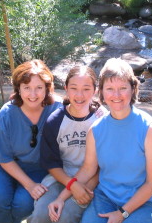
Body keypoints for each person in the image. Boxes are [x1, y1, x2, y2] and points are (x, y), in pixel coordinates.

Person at [51, 58, 152, 223]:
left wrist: (122, 213)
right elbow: (87, 170)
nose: (116, 95)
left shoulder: (149, 129)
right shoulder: (96, 130)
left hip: (141, 201)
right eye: (110, 88)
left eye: (123, 88)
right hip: (105, 198)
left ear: (133, 89)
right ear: (101, 92)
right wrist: (61, 198)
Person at [27, 65, 108, 223]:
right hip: (60, 179)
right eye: (73, 88)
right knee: (40, 215)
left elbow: (103, 165)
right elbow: (51, 163)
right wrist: (71, 184)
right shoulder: (55, 121)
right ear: (65, 89)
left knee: (66, 217)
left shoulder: (102, 121)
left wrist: (84, 188)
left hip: (92, 182)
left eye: (86, 89)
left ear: (95, 90)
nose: (79, 95)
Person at [0, 59, 63, 223]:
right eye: (27, 88)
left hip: (37, 168)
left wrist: (96, 108)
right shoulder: (7, 113)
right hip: (4, 164)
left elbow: (79, 105)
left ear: (47, 89)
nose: (33, 95)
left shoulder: (56, 109)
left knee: (23, 205)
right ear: (18, 89)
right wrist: (29, 185)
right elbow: (3, 157)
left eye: (39, 88)